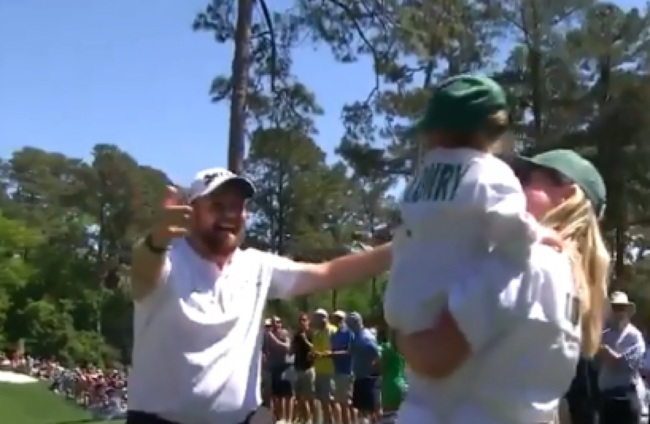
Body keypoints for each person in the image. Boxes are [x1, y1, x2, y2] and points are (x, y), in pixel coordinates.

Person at [387, 87, 610, 423]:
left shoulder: (522, 260)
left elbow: (434, 357)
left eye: (526, 177)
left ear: (566, 194)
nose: (513, 183)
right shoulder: (574, 282)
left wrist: (400, 329)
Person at [128, 168, 390, 424]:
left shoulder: (256, 266)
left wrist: (402, 247)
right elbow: (143, 270)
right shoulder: (167, 260)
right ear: (191, 210)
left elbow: (329, 273)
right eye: (217, 205)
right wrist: (158, 238)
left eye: (237, 206)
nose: (229, 214)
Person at [384, 74, 562, 338]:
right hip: (450, 311)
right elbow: (511, 229)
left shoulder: (424, 174)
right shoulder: (490, 172)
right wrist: (540, 236)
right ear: (495, 129)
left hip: (402, 303)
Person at [598, 291, 646, 424]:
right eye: (615, 307)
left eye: (621, 308)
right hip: (606, 398)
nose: (618, 312)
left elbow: (629, 364)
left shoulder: (634, 336)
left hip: (626, 398)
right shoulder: (603, 334)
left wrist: (607, 352)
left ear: (627, 311)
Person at [348, 312, 381, 423]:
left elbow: (377, 355)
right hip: (359, 376)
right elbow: (351, 352)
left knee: (371, 409)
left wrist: (374, 370)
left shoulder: (366, 337)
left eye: (350, 324)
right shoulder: (356, 336)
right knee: (362, 409)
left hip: (368, 378)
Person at [311, 308, 337, 424]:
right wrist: (312, 355)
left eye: (317, 319)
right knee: (322, 401)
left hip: (330, 371)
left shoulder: (333, 331)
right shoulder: (317, 334)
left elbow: (336, 351)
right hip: (319, 371)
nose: (315, 322)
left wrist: (323, 354)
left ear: (324, 319)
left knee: (330, 401)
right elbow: (314, 350)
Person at [265, 316, 293, 422]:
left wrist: (272, 337)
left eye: (278, 322)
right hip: (274, 368)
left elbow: (286, 347)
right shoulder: (267, 335)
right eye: (273, 322)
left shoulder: (284, 333)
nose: (276, 324)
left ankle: (287, 419)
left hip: (285, 367)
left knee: (287, 395)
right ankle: (278, 418)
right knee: (275, 396)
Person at [330, 310, 354, 424]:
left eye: (339, 318)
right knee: (339, 402)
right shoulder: (335, 335)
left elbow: (350, 351)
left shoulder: (349, 333)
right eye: (336, 318)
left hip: (347, 370)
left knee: (346, 404)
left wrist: (333, 354)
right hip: (337, 371)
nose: (337, 320)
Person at [291, 313, 316, 424]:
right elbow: (292, 351)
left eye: (304, 320)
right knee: (300, 396)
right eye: (300, 320)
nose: (302, 322)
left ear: (308, 321)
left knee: (310, 396)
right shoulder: (297, 335)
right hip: (298, 368)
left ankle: (314, 419)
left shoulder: (311, 334)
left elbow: (315, 349)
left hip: (308, 368)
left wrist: (305, 340)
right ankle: (305, 418)